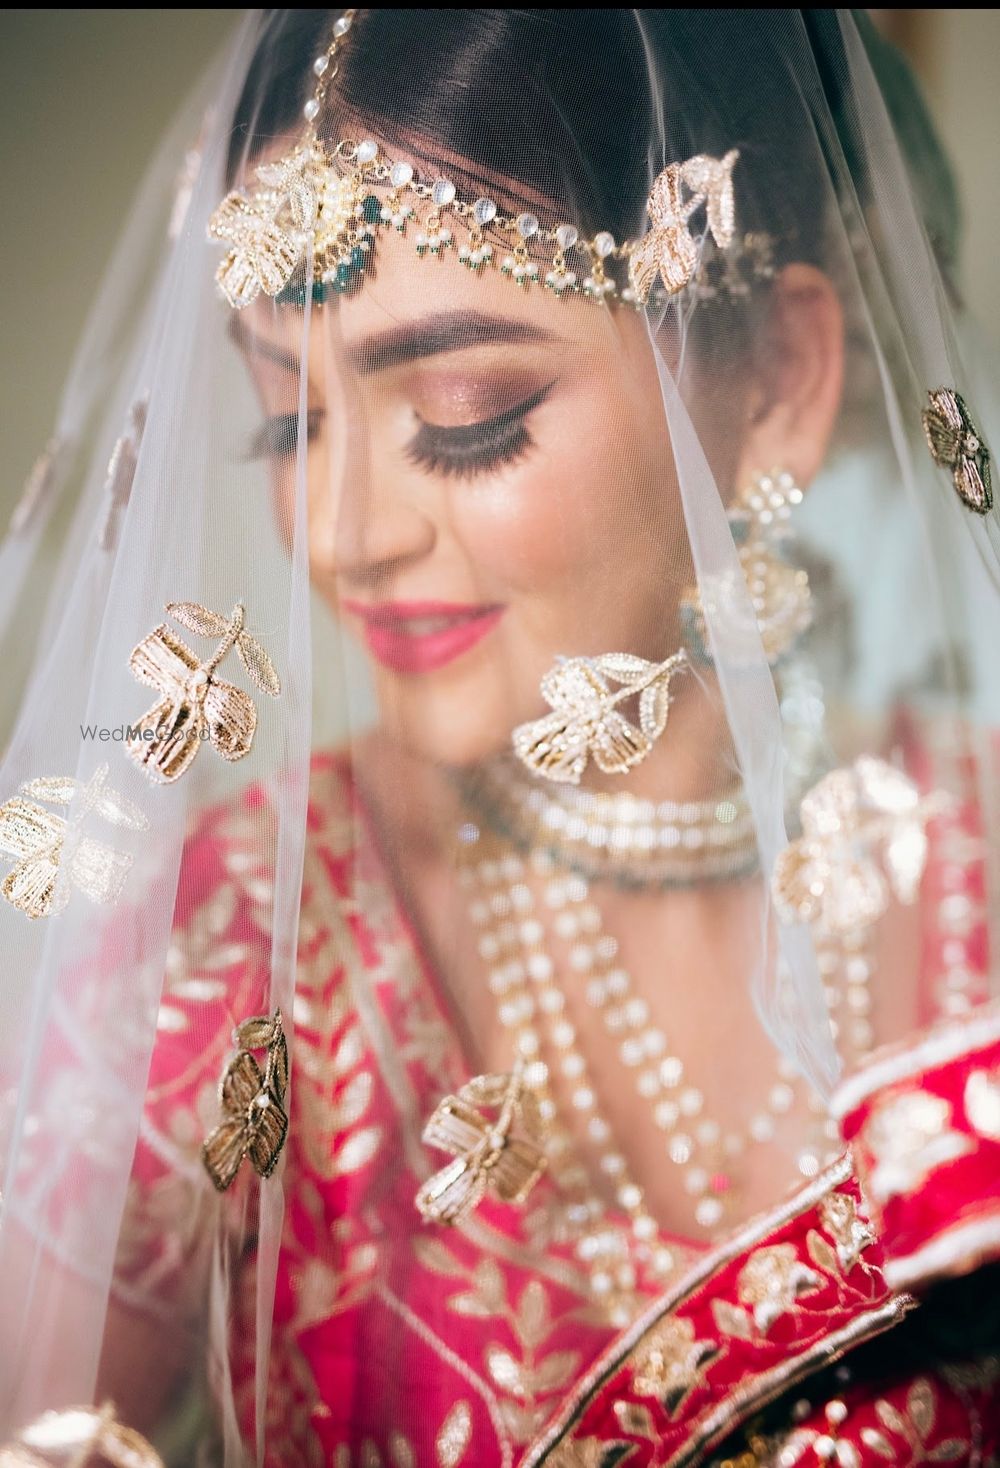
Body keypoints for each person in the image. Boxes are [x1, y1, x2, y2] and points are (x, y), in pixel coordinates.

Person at [0, 9, 998, 1466]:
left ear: (777, 378)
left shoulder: (981, 873)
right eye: (291, 421)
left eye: (470, 419)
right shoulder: (233, 955)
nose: (341, 537)